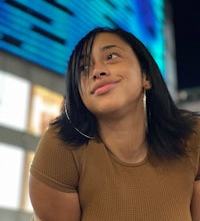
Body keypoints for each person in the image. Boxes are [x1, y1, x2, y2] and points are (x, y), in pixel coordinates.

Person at [29, 27, 200, 221]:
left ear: (146, 76)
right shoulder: (61, 147)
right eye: (84, 67)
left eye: (111, 56)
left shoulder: (194, 137)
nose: (97, 71)